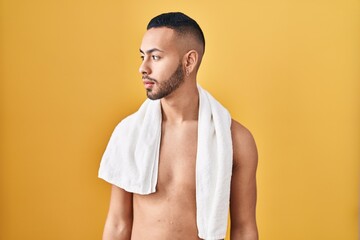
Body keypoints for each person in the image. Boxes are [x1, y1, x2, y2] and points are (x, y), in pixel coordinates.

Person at [99, 12, 258, 240]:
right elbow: (118, 224)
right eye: (143, 56)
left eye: (155, 57)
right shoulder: (129, 133)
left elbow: (244, 228)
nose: (143, 68)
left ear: (189, 61)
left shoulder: (235, 140)